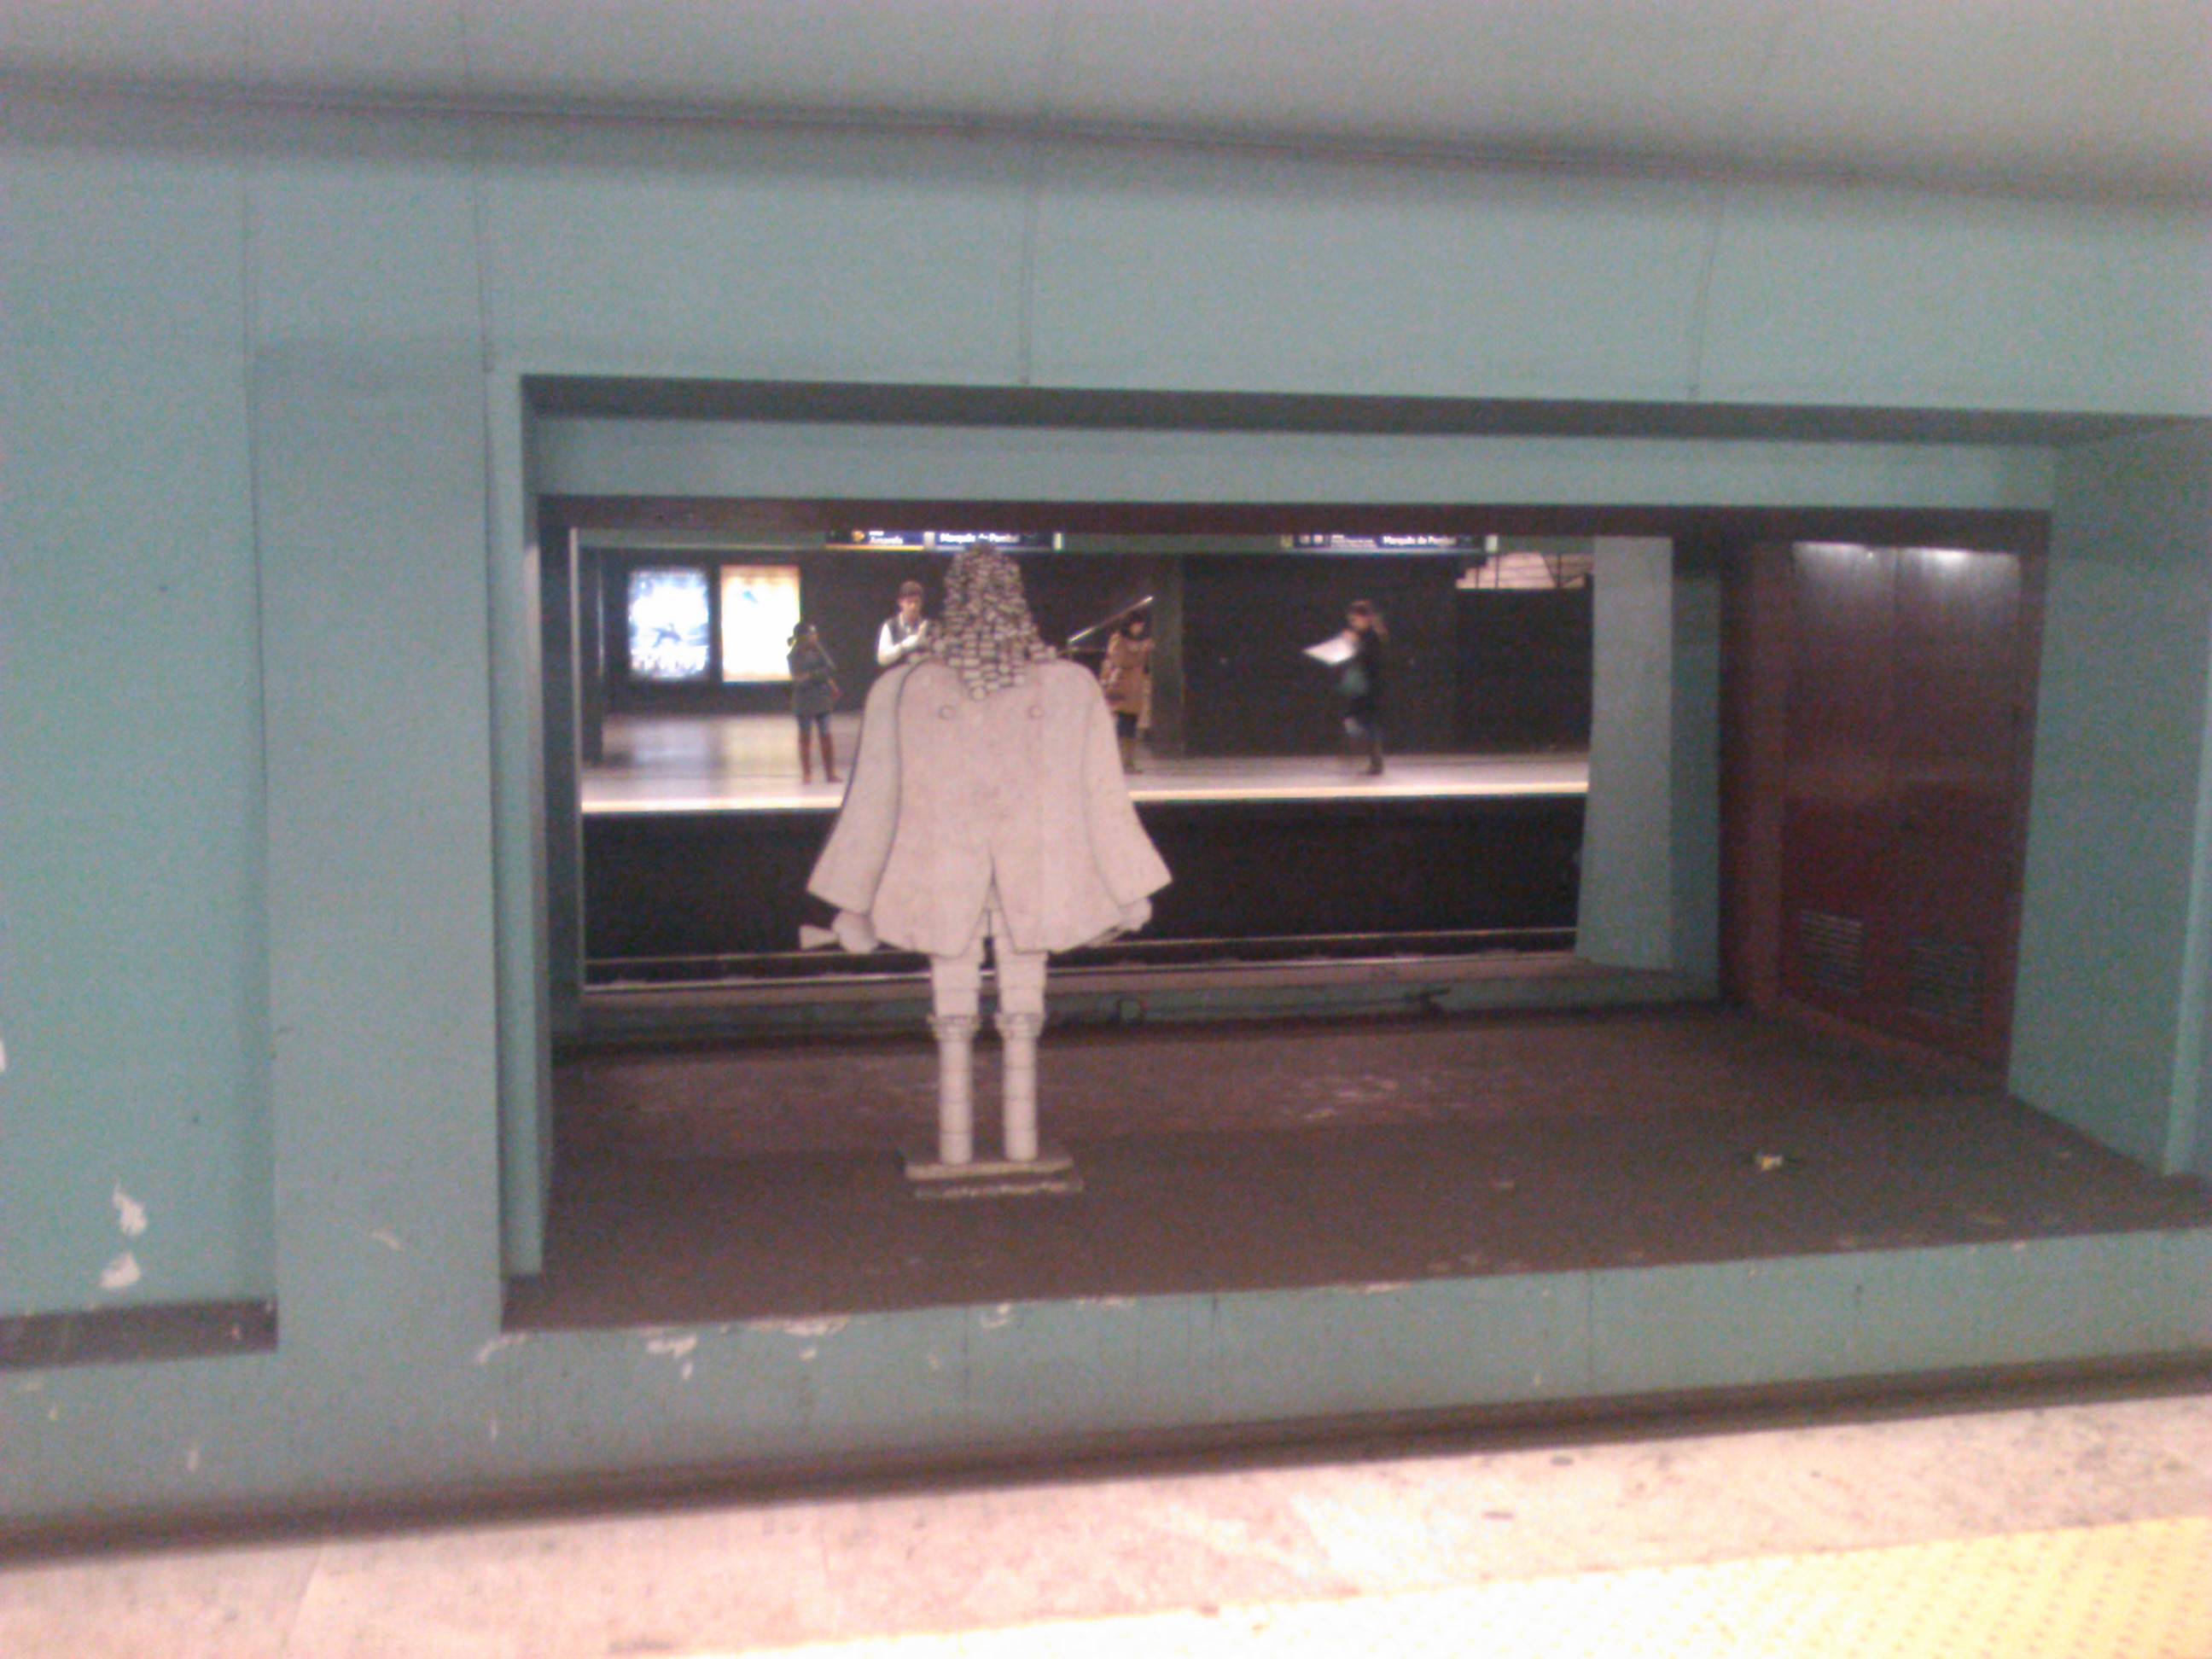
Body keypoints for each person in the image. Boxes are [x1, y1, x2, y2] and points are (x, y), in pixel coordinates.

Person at [806, 544, 1170, 1176]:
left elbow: (1099, 795)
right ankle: (980, 1147)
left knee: (1008, 1008)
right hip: (963, 870)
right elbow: (876, 799)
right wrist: (852, 901)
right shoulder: (919, 690)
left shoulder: (1048, 689)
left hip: (1005, 870)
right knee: (969, 1008)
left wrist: (1129, 885)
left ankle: (993, 1147)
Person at [1097, 610, 1155, 771]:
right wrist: (1142, 650)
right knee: (1124, 724)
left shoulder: (1133, 641)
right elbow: (1122, 660)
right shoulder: (1118, 639)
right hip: (1123, 688)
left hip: (1134, 689)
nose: (1140, 628)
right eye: (1138, 625)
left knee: (1131, 725)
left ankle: (1128, 761)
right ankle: (1120, 761)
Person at [1337, 599, 1388, 775]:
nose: (1353, 624)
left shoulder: (1373, 635)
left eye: (1355, 620)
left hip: (1370, 688)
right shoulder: (1363, 635)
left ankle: (1375, 762)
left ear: (1365, 618)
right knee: (1356, 721)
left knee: (1369, 724)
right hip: (1362, 687)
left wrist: (1356, 643)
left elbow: (1371, 659)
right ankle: (1368, 757)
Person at [786, 622, 841, 783]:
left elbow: (830, 668)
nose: (815, 637)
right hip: (804, 700)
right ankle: (807, 773)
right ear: (803, 637)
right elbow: (800, 679)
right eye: (812, 634)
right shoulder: (794, 656)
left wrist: (812, 675)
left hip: (821, 698)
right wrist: (818, 676)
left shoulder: (818, 650)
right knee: (805, 736)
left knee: (825, 735)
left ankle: (830, 773)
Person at [876, 579, 931, 667]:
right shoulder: (891, 626)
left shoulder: (928, 626)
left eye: (916, 602)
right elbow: (882, 659)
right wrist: (904, 647)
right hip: (897, 674)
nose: (913, 606)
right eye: (909, 602)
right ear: (901, 602)